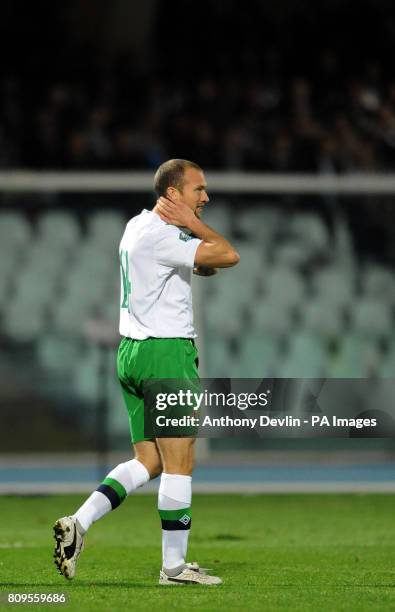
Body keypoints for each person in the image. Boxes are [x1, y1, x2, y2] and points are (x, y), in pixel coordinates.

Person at [53, 159, 240, 585]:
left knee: (149, 460)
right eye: (198, 190)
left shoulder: (136, 227)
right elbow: (228, 254)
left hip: (132, 353)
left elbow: (196, 265)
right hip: (165, 353)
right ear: (173, 194)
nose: (205, 197)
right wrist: (197, 227)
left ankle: (77, 524)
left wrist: (190, 241)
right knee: (181, 462)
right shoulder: (162, 234)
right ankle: (173, 569)